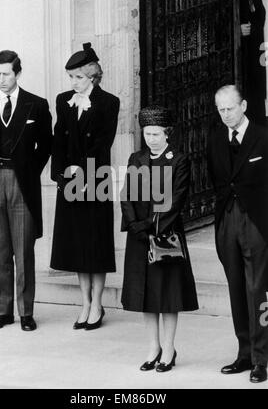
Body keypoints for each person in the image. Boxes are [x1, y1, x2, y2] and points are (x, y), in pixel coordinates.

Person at [0, 50, 52, 331]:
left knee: (24, 249)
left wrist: (29, 170)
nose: (2, 79)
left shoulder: (36, 105)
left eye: (7, 73)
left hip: (23, 183)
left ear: (18, 73)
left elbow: (46, 144)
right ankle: (3, 311)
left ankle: (26, 312)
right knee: (0, 249)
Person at [120, 105, 198, 372]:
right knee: (146, 295)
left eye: (156, 133)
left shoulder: (179, 160)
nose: (151, 138)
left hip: (165, 235)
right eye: (147, 133)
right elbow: (127, 194)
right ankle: (153, 347)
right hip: (140, 236)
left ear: (167, 134)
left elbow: (175, 201)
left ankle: (168, 348)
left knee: (167, 295)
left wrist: (150, 225)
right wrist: (134, 225)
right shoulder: (136, 158)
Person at [50, 43, 120, 330]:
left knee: (96, 244)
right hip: (70, 180)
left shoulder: (109, 102)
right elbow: (58, 140)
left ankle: (98, 303)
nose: (73, 83)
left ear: (93, 77)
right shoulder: (63, 99)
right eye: (71, 77)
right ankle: (85, 303)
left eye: (79, 77)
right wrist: (61, 173)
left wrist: (83, 169)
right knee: (78, 244)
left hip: (95, 180)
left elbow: (104, 142)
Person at [207, 84, 268, 383]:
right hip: (227, 219)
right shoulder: (216, 138)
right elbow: (215, 178)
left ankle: (261, 358)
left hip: (256, 220)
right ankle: (244, 353)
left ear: (243, 105)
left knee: (257, 289)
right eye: (221, 110)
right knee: (235, 287)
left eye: (230, 108)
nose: (226, 115)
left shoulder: (263, 137)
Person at [239, 0, 266, 126]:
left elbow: (260, 14)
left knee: (255, 91)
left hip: (253, 50)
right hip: (236, 55)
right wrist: (237, 30)